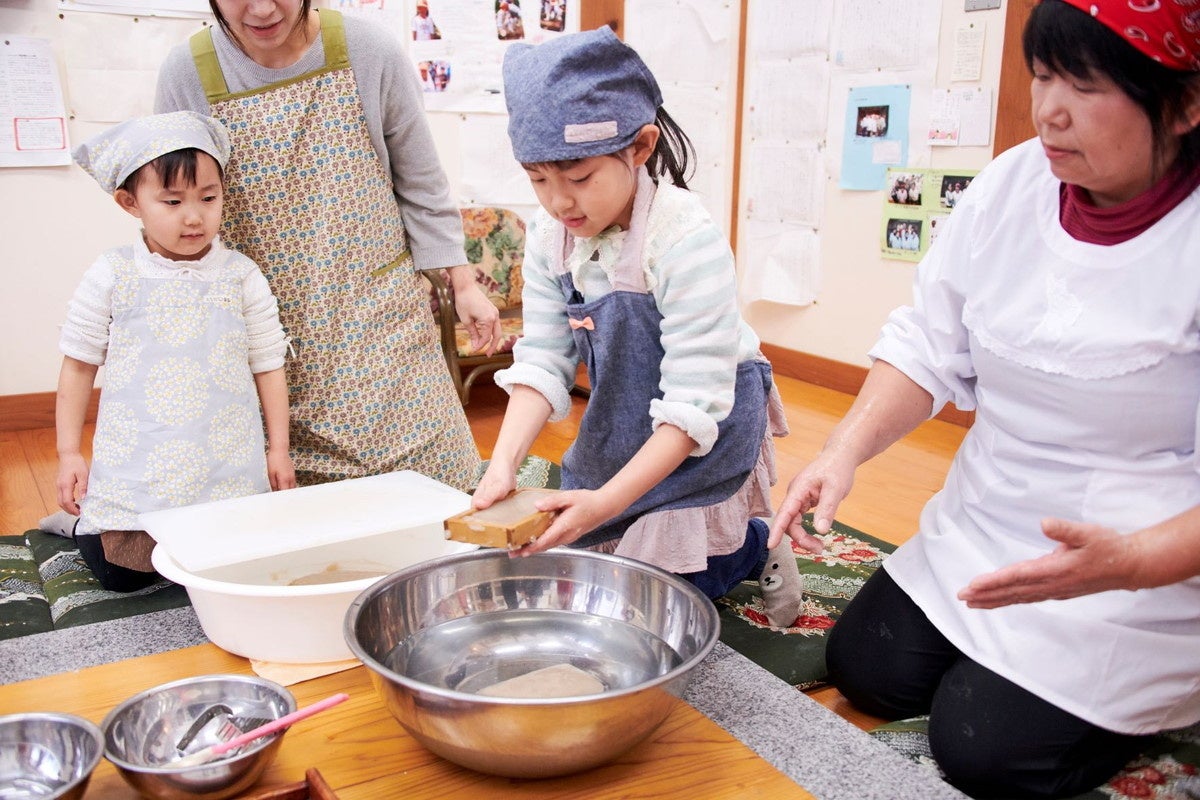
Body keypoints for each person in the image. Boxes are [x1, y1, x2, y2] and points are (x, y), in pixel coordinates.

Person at [770, 1, 1200, 796]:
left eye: (1085, 83)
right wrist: (843, 450)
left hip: (1137, 559)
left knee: (982, 749)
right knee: (866, 669)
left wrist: (1135, 562)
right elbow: (930, 341)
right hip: (989, 519)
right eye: (1042, 77)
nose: (1049, 110)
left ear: (1184, 102)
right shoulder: (1012, 183)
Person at [472, 28, 812, 629]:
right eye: (538, 180)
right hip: (624, 408)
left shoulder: (684, 241)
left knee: (656, 594)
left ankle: (755, 546)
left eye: (578, 178)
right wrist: (503, 466)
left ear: (640, 147)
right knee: (582, 562)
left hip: (708, 415)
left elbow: (692, 403)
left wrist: (604, 502)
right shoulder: (551, 239)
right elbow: (544, 361)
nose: (559, 202)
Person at [155, 1, 501, 491]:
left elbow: (420, 179)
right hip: (268, 335)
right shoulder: (186, 73)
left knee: (442, 494)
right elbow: (170, 207)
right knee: (301, 519)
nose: (261, 9)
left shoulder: (368, 49)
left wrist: (461, 284)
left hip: (381, 320)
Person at [43, 111, 293, 592]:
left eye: (209, 197)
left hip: (227, 465)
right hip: (138, 467)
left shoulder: (241, 275)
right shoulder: (113, 273)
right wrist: (69, 452)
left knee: (230, 568)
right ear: (129, 202)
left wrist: (277, 449)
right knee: (121, 576)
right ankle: (75, 526)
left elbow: (268, 363)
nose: (194, 216)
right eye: (172, 201)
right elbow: (78, 364)